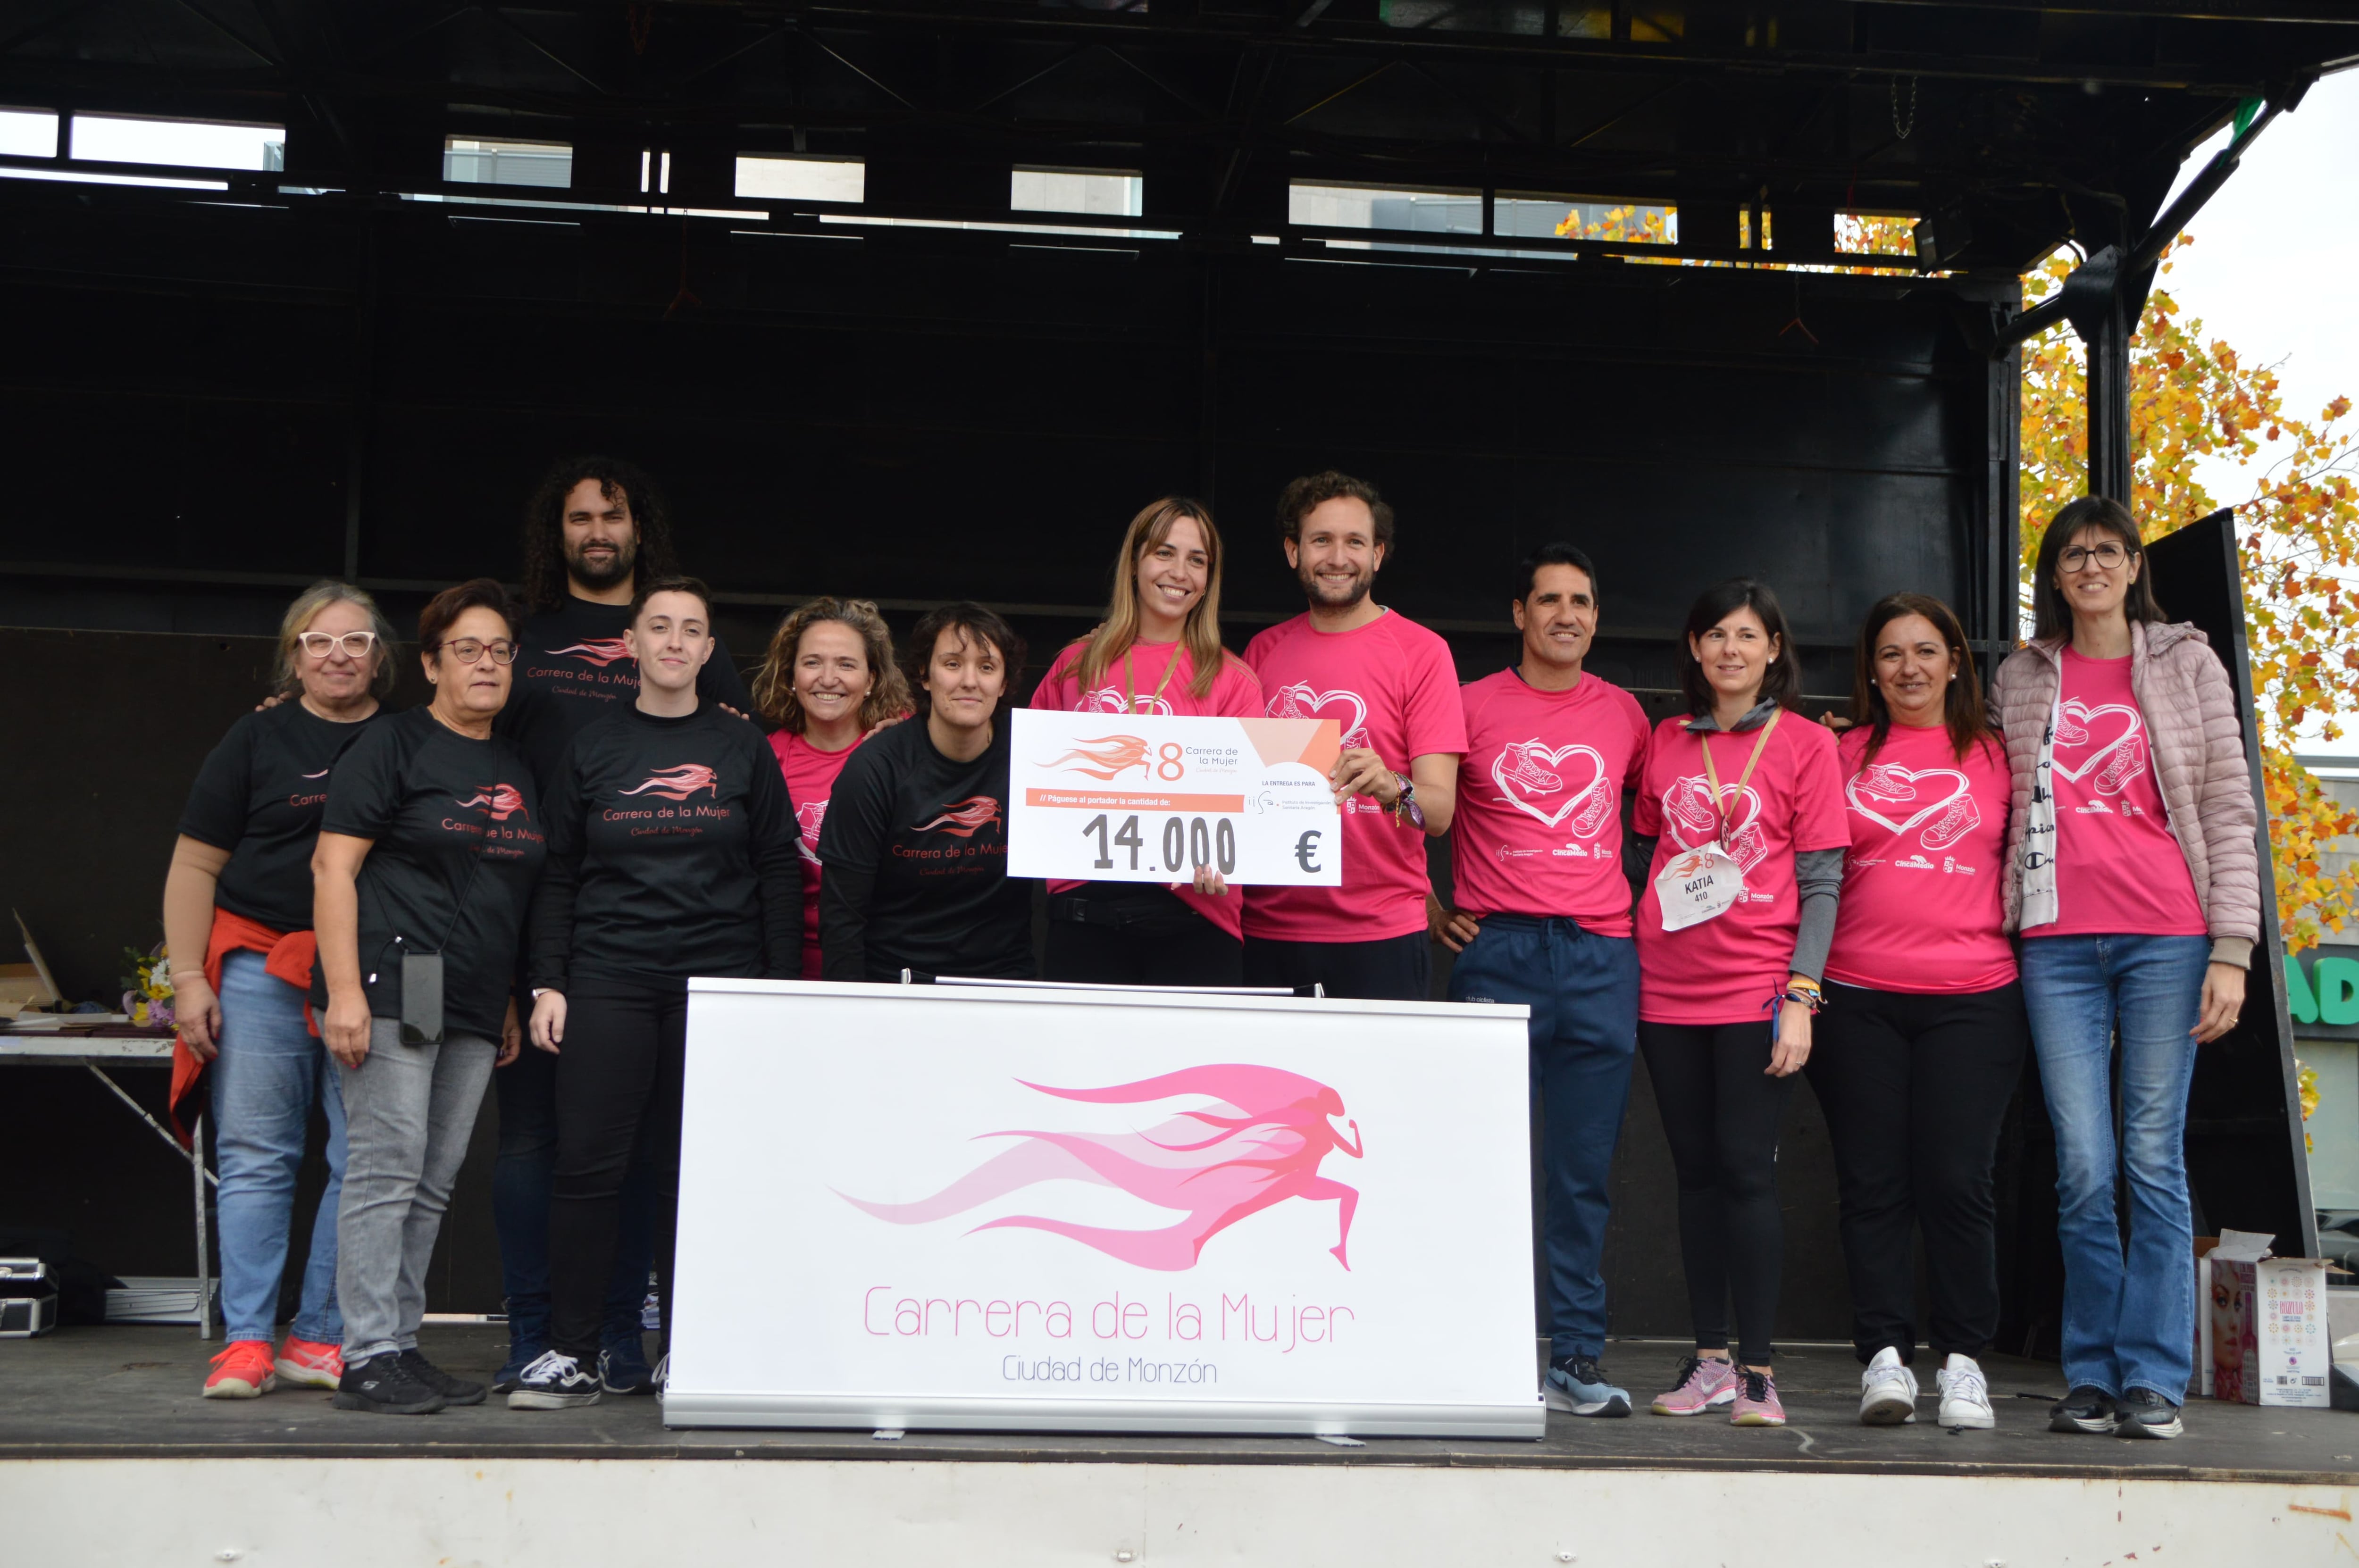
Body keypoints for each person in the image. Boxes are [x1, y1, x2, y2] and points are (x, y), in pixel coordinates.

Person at [1993, 496, 2259, 1441]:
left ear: (2134, 564)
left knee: (2151, 1157)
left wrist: (2232, 949)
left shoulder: (2185, 661)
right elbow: (1983, 789)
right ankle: (2091, 1375)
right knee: (2080, 1164)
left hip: (2166, 936)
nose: (2089, 565)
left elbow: (2229, 803)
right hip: (2056, 944)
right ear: (2054, 574)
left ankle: (2152, 1376)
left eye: (2106, 549)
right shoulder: (2021, 677)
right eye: (2071, 553)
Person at [509, 577, 803, 1409]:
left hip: (718, 985)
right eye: (659, 627)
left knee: (697, 1173)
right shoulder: (593, 745)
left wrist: (776, 991)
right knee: (588, 1166)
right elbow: (558, 870)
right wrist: (549, 981)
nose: (675, 641)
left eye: (693, 631)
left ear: (710, 652)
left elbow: (779, 865)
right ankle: (574, 1349)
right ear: (630, 645)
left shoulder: (742, 747)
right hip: (609, 979)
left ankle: (690, 1349)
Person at [492, 457, 749, 1393]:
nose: (597, 530)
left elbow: (757, 819)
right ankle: (542, 1337)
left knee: (669, 1157)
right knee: (545, 1146)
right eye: (579, 517)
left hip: (693, 961)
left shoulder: (723, 713)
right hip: (563, 932)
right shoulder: (524, 638)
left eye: (613, 514)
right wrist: (547, 971)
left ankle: (640, 1335)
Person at [1428, 543, 1651, 1418]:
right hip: (1501, 951)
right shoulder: (1469, 702)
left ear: (1596, 616)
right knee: (1483, 1165)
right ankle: (1478, 1351)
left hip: (1601, 955)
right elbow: (1418, 806)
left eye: (1583, 601)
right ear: (1518, 612)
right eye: (1549, 599)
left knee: (1581, 1174)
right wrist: (1427, 897)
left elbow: (1667, 812)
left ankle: (1576, 1356)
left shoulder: (1628, 714)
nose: (1567, 614)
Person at [312, 579, 546, 1415]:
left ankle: (399, 1344)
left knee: (434, 1175)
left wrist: (514, 995)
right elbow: (333, 866)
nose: (486, 664)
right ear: (431, 664)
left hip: (476, 995)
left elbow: (506, 888)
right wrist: (343, 989)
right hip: (399, 977)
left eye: (499, 650)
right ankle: (367, 1350)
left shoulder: (515, 762)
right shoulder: (393, 745)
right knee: (386, 1165)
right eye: (467, 649)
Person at [163, 583, 396, 1399]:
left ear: (382, 654)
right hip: (260, 964)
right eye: (318, 641)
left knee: (364, 1161)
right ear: (294, 654)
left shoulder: (408, 738)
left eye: (356, 640)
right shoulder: (256, 736)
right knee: (257, 1156)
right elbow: (195, 864)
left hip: (369, 978)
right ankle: (248, 1341)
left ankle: (321, 1336)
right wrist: (189, 977)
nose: (338, 654)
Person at [1633, 578, 1847, 1429]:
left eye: (1747, 634)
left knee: (1746, 1171)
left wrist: (1802, 993)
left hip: (1758, 985)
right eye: (1714, 632)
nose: (1729, 647)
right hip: (1666, 987)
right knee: (1693, 1176)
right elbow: (1642, 853)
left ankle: (1758, 1371)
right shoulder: (1662, 741)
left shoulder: (1804, 746)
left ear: (1772, 651)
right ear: (1694, 648)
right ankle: (1711, 1359)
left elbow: (1825, 880)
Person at [1813, 592, 2026, 1430]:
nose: (1910, 667)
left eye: (1926, 650)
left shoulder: (2002, 754)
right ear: (1872, 667)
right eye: (1893, 652)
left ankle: (1966, 1361)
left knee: (1956, 1180)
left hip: (1974, 998)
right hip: (1856, 995)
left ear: (1955, 661)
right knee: (1873, 1184)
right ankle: (1885, 1359)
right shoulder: (1838, 752)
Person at [1241, 472, 1464, 1000]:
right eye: (1321, 540)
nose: (1337, 557)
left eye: (1354, 542)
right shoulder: (1260, 652)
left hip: (1379, 933)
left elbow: (1436, 813)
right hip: (1267, 928)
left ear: (1378, 555)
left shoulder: (1422, 652)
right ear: (1293, 551)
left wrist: (1393, 787)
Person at [1032, 497, 1264, 985]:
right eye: (1164, 553)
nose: (1179, 572)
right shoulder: (1076, 664)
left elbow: (1254, 808)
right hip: (1085, 913)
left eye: (1196, 560)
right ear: (1134, 562)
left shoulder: (1233, 680)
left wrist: (1230, 855)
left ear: (1208, 580)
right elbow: (1025, 771)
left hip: (1196, 919)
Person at [818, 602, 1033, 983]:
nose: (970, 681)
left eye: (987, 667)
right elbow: (842, 915)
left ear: (1004, 683)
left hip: (1001, 980)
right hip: (897, 979)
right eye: (952, 664)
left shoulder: (1036, 758)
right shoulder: (876, 768)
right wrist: (848, 1013)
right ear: (925, 675)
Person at [752, 598, 912, 978]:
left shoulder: (903, 752)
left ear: (872, 679)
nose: (828, 678)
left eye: (846, 664)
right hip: (785, 963)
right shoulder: (765, 757)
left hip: (877, 963)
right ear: (790, 675)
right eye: (812, 662)